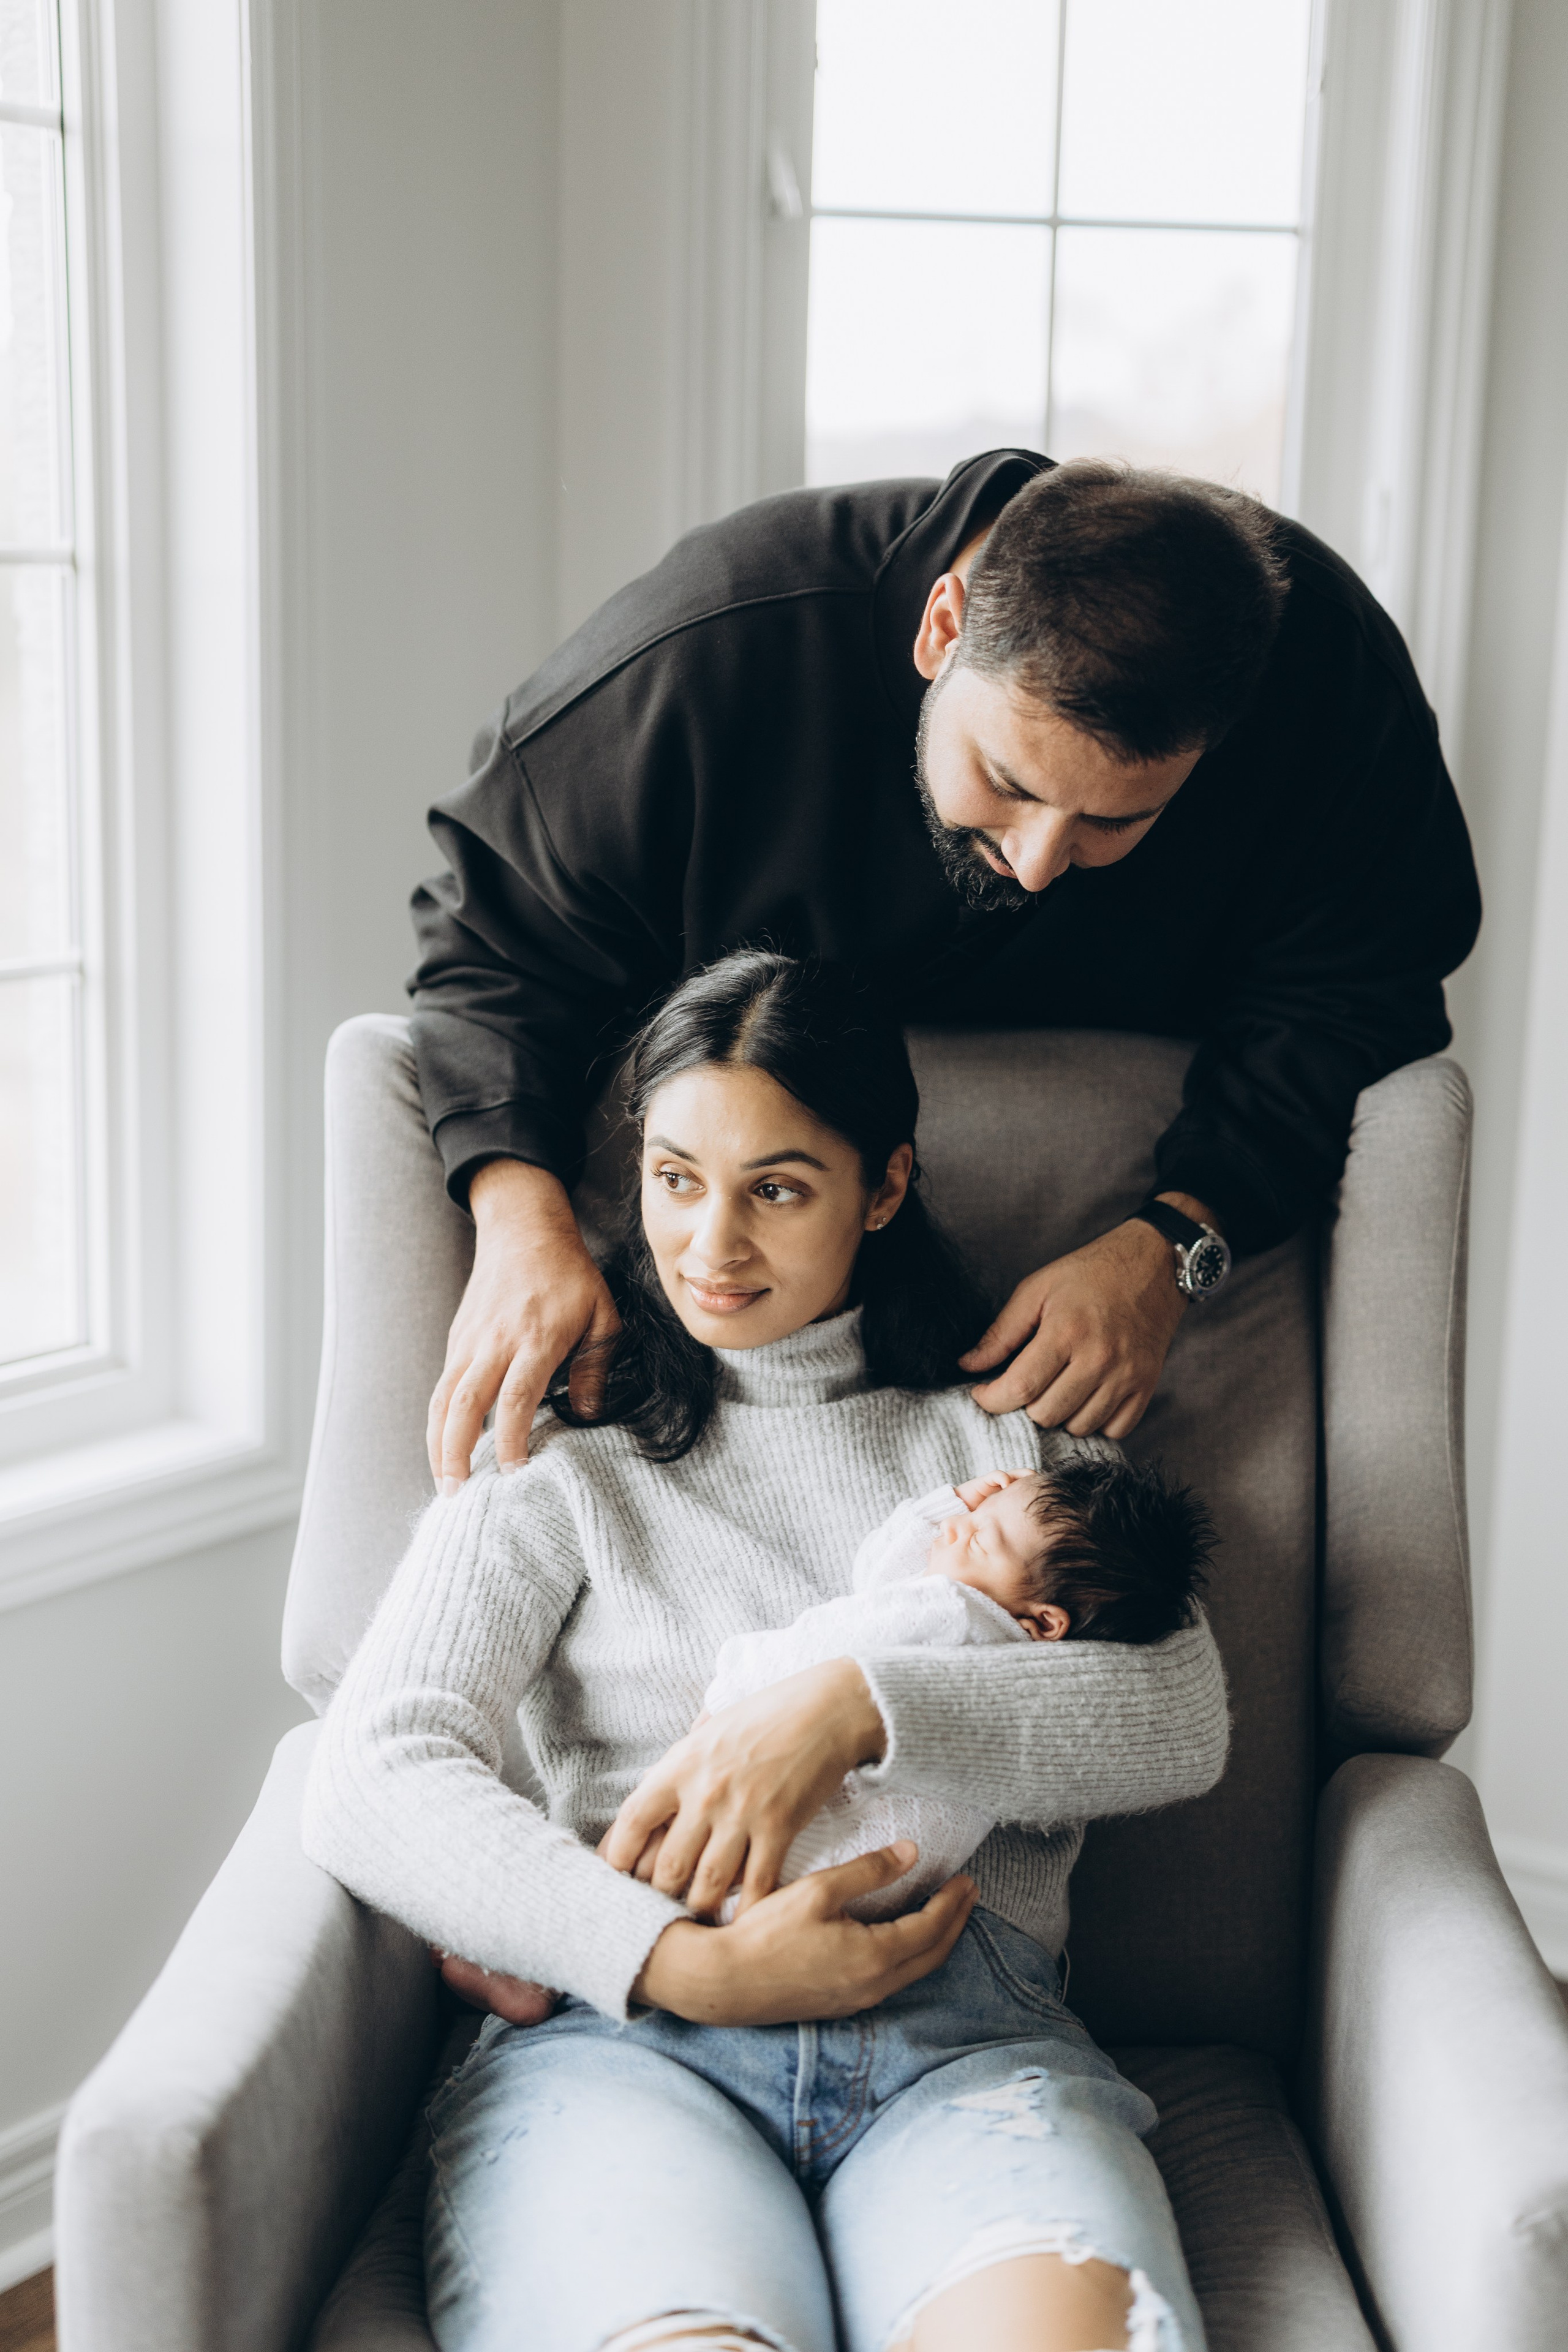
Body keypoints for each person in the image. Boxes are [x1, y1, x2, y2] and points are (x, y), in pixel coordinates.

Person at [304, 951, 1231, 2352]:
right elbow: (370, 1766)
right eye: (675, 1177)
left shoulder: (1007, 1449)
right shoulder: (557, 1459)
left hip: (965, 2048)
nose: (710, 1244)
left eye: (776, 1187)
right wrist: (671, 1958)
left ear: (886, 1185)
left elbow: (1181, 1710)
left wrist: (851, 1707)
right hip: (624, 2051)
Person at [410, 454, 1482, 1488]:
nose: (1038, 861)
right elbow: (491, 942)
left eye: (1116, 819)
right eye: (1005, 782)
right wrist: (519, 1227)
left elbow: (1358, 993)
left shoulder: (1332, 693)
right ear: (942, 629)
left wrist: (1177, 1242)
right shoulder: (708, 651)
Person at [695, 1460, 1213, 1923]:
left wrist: (732, 1697)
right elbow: (886, 1588)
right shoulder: (1027, 1659)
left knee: (736, 1865)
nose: (954, 1525)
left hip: (841, 1828)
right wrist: (969, 1517)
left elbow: (836, 1632)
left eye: (981, 1540)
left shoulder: (955, 1610)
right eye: (975, 1512)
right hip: (894, 1879)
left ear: (1045, 1621)